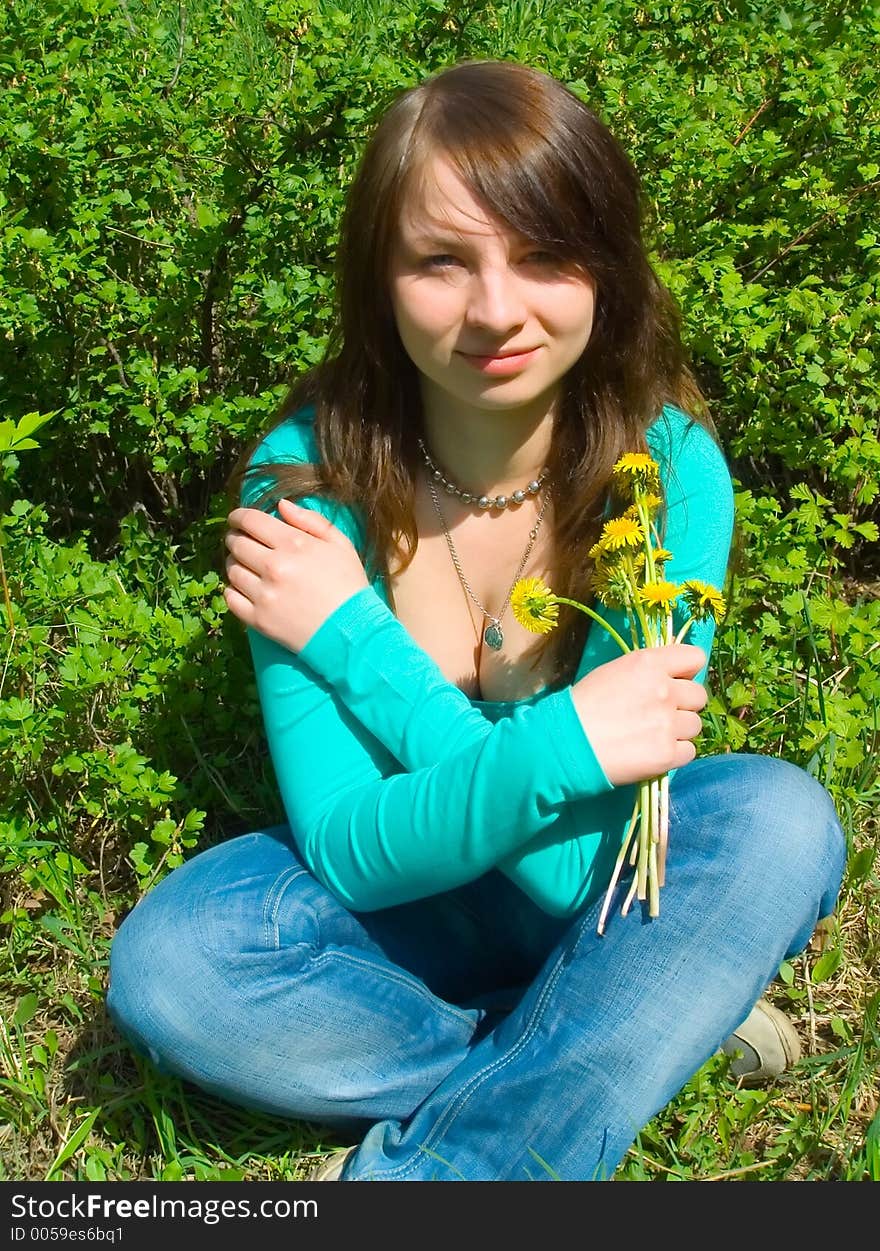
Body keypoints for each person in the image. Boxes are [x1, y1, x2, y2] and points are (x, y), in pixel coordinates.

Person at [106, 60, 846, 1182]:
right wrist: (564, 743)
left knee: (779, 824)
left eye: (544, 254)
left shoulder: (667, 472)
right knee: (177, 966)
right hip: (408, 915)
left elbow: (580, 880)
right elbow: (350, 852)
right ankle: (626, 1038)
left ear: (604, 266)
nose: (496, 310)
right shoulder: (305, 487)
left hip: (611, 901)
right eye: (441, 261)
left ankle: (452, 1172)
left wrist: (353, 641)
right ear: (378, 277)